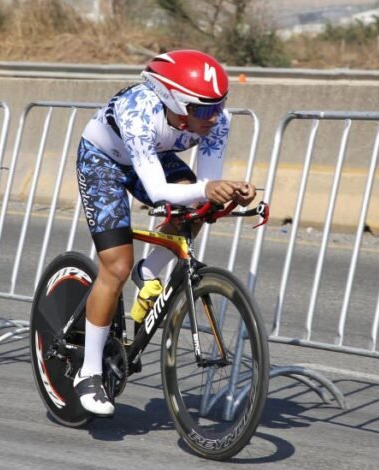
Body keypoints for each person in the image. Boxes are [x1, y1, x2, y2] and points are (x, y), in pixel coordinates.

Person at [74, 49, 256, 416]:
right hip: (103, 161)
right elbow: (157, 191)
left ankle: (150, 268)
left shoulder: (216, 121)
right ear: (173, 99)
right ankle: (88, 372)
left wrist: (228, 192)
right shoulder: (139, 112)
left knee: (203, 205)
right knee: (116, 267)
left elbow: (205, 185)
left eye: (220, 105)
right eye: (204, 110)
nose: (215, 116)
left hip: (151, 158)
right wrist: (207, 188)